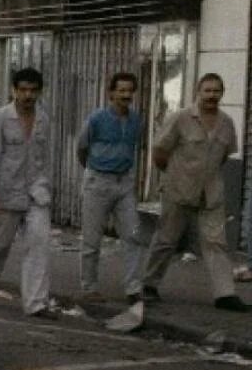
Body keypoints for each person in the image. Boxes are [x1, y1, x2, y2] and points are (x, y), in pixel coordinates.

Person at [141, 73, 248, 314]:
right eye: (207, 91)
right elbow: (160, 150)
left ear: (222, 93)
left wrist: (205, 178)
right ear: (197, 92)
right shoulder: (180, 118)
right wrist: (173, 176)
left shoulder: (227, 123)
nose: (212, 96)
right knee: (167, 239)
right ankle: (148, 284)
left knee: (216, 243)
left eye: (216, 91)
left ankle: (225, 294)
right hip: (178, 189)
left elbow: (223, 156)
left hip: (211, 193)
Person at [0, 68, 56, 317]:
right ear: (13, 90)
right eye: (23, 90)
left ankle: (36, 303)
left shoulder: (43, 120)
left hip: (36, 192)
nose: (28, 95)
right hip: (6, 193)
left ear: (39, 91)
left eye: (33, 90)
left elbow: (45, 158)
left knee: (39, 244)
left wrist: (47, 188)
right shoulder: (0, 118)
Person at [75, 73, 144, 305]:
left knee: (132, 235)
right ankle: (89, 287)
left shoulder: (136, 120)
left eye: (129, 91)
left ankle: (134, 288)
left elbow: (135, 147)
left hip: (124, 182)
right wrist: (94, 171)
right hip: (98, 181)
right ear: (111, 93)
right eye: (121, 91)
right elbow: (82, 148)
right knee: (92, 239)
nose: (125, 95)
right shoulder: (97, 119)